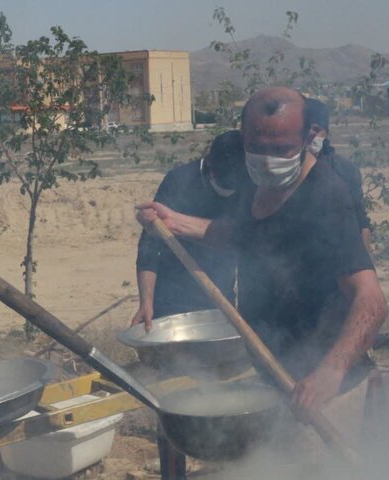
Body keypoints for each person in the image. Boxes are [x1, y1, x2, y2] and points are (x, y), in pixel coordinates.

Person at [137, 87, 387, 452]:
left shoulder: (326, 198)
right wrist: (173, 221)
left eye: (282, 149)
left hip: (324, 386)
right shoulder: (253, 183)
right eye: (259, 148)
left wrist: (329, 374)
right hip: (274, 372)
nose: (269, 160)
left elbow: (372, 300)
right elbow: (240, 235)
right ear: (244, 138)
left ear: (307, 137)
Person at [133, 130, 245, 480]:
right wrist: (146, 302)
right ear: (209, 166)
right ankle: (173, 465)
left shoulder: (246, 187)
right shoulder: (179, 181)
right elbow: (150, 245)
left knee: (224, 392)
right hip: (172, 305)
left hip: (219, 305)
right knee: (174, 397)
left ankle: (224, 459)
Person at [306, 98, 372, 250]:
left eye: (316, 129)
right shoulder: (284, 170)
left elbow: (361, 222)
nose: (311, 133)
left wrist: (365, 266)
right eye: (306, 128)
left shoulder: (344, 169)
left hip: (336, 255)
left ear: (326, 133)